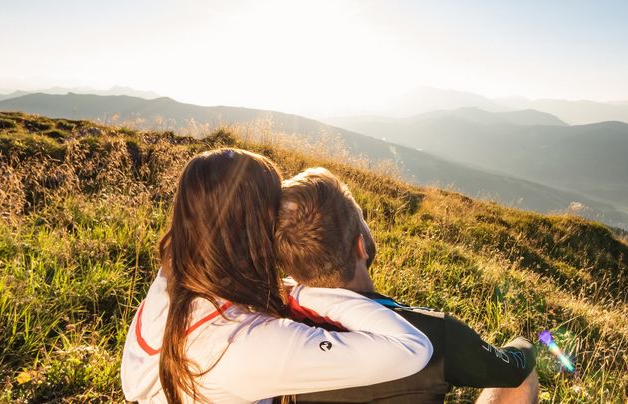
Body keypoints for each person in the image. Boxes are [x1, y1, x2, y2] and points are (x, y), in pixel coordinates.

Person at [120, 149, 433, 403]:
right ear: (257, 230)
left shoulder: (175, 270)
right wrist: (306, 291)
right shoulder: (250, 344)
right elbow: (411, 348)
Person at [273, 167, 539, 404]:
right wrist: (527, 342)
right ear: (360, 246)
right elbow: (513, 369)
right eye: (362, 220)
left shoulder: (265, 318)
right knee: (525, 378)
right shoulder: (433, 332)